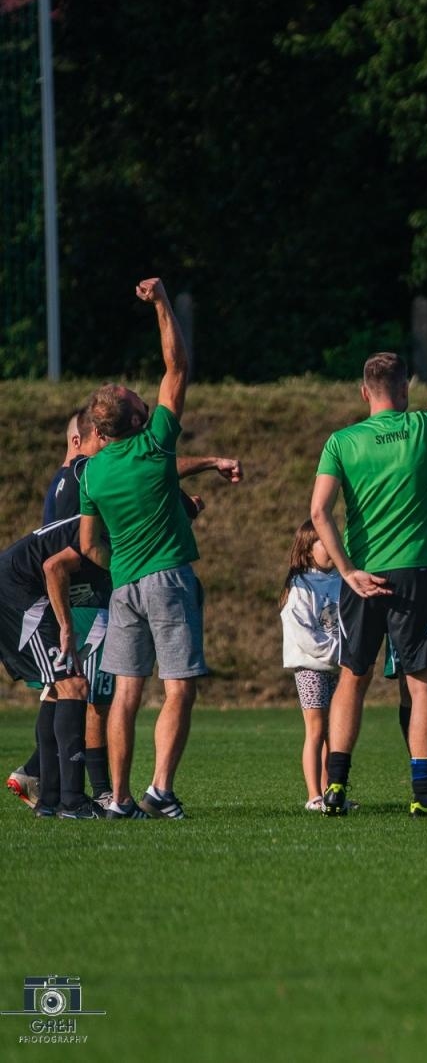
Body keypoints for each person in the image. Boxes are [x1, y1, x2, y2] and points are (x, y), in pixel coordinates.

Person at [78, 277, 243, 820]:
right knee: (179, 688)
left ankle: (119, 799)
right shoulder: (155, 443)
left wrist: (128, 552)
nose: (140, 393)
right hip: (168, 580)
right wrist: (163, 304)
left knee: (126, 694)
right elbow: (177, 367)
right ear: (133, 420)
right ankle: (160, 791)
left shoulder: (94, 472)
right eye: (133, 398)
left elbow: (88, 544)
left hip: (124, 585)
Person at [310, 352, 427, 817]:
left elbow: (319, 512)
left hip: (360, 573)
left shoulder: (341, 441)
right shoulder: (422, 428)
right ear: (405, 390)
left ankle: (335, 787)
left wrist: (345, 571)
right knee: (423, 683)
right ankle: (425, 795)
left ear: (364, 392)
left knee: (353, 679)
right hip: (414, 571)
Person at [0, 515, 112, 818]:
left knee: (58, 690)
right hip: (18, 594)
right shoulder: (113, 525)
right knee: (74, 685)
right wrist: (64, 626)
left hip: (22, 591)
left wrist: (212, 463)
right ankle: (72, 801)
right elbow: (53, 567)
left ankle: (49, 800)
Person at [280, 520, 341, 810]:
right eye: (323, 541)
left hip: (336, 667)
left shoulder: (343, 578)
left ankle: (331, 793)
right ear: (307, 549)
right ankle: (314, 795)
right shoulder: (300, 584)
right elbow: (302, 631)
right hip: (310, 667)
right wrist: (334, 650)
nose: (331, 546)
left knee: (333, 731)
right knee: (316, 730)